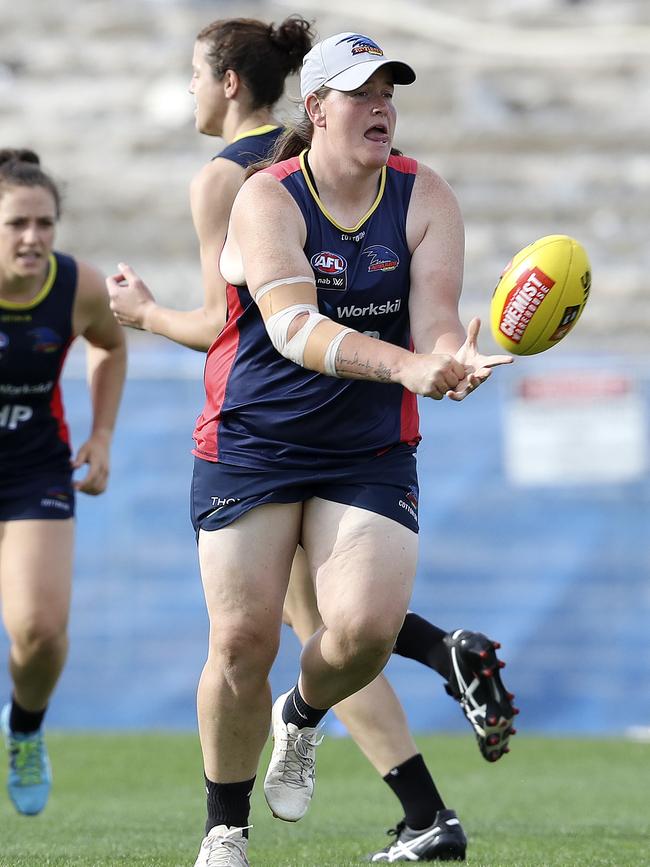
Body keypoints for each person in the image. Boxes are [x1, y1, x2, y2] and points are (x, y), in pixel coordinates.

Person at [107, 22, 515, 867]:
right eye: (363, 92)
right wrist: (408, 365)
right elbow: (294, 328)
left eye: (390, 92)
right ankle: (225, 830)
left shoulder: (426, 194)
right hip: (253, 439)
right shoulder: (266, 195)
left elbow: (436, 321)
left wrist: (448, 360)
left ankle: (300, 715)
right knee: (240, 641)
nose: (383, 107)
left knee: (363, 632)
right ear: (318, 107)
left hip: (366, 445)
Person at [0, 149, 126, 816]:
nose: (33, 237)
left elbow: (110, 342)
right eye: (17, 222)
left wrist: (101, 434)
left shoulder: (76, 285)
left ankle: (24, 727)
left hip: (31, 470)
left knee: (42, 631)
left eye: (45, 223)